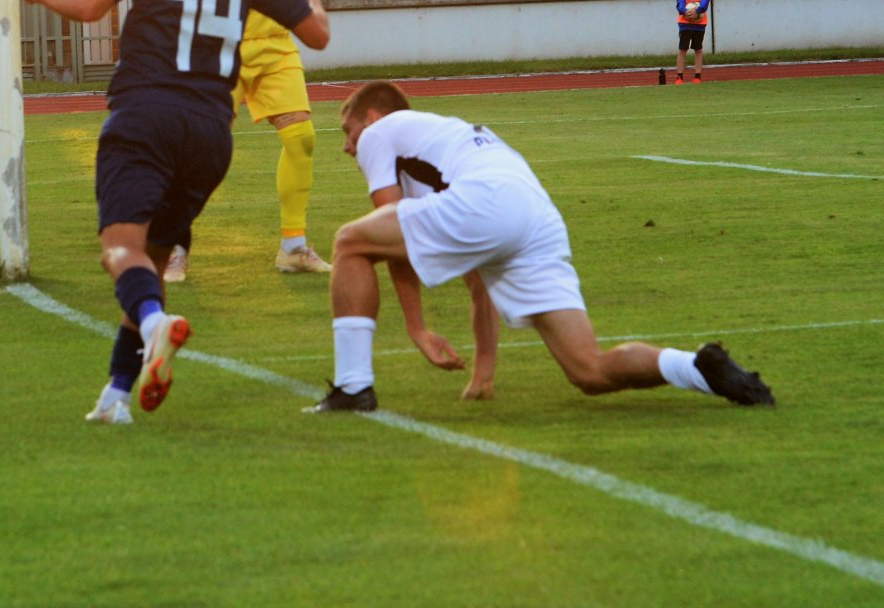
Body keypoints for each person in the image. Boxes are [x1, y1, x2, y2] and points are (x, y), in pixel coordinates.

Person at [78, 0, 460, 286]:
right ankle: (174, 246)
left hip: (276, 44)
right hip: (222, 47)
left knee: (301, 137)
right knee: (189, 150)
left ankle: (293, 247)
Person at [23, 0, 331, 425]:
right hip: (212, 131)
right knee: (153, 256)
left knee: (120, 251)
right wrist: (311, 0)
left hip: (145, 114)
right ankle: (117, 394)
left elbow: (91, 6)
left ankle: (155, 322)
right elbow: (315, 34)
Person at [311, 81, 774, 411]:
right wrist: (483, 374)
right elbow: (477, 281)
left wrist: (417, 328)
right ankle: (698, 367)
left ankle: (353, 388)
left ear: (371, 118)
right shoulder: (439, 144)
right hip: (536, 213)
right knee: (589, 371)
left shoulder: (380, 133)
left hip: (493, 200)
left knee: (349, 242)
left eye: (347, 133)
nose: (349, 147)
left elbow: (385, 230)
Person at [674, 0, 712, 83]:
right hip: (685, 22)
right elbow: (680, 1)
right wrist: (685, 11)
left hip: (699, 23)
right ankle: (679, 76)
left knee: (698, 49)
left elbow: (706, 0)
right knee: (682, 49)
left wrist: (698, 11)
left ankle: (697, 76)